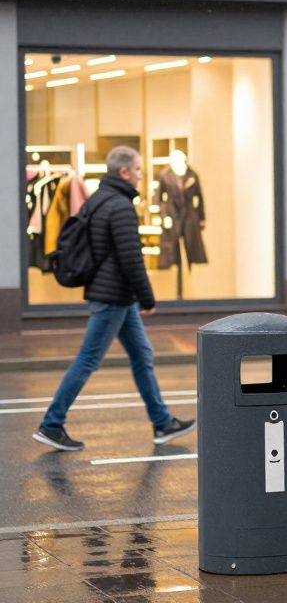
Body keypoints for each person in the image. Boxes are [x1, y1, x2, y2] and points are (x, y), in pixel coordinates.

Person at [33, 146, 196, 452]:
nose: (139, 175)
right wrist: (148, 298)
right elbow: (130, 259)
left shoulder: (99, 198)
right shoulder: (119, 206)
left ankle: (162, 422)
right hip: (113, 297)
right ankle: (52, 424)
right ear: (124, 171)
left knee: (142, 354)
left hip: (114, 294)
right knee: (88, 359)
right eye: (137, 170)